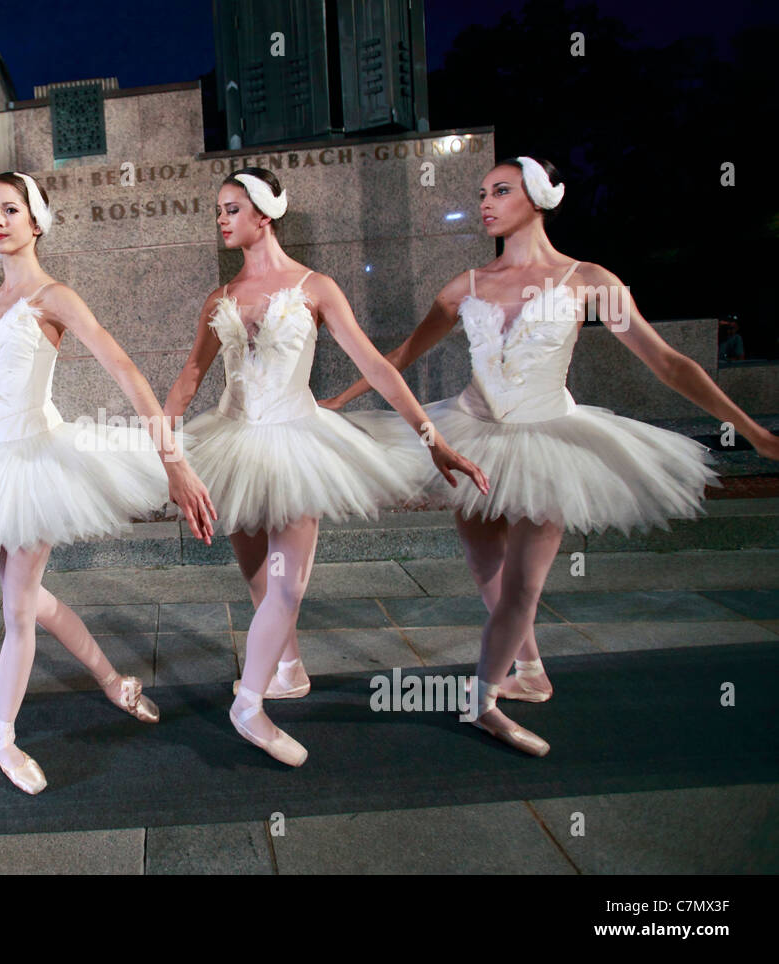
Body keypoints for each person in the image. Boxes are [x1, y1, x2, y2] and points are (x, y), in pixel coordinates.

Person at [321, 156, 779, 755]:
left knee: (522, 587)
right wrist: (336, 401)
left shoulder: (588, 281)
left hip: (549, 441)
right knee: (487, 573)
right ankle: (529, 671)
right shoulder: (466, 286)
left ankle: (482, 700)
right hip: (473, 431)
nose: (486, 202)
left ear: (539, 197)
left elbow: (666, 361)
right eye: (482, 192)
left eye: (501, 191)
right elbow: (398, 356)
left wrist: (750, 427)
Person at [0, 171, 216, 795]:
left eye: (9, 209)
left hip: (37, 463)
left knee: (17, 608)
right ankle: (113, 680)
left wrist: (173, 460)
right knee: (30, 599)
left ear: (36, 220)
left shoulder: (56, 297)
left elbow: (124, 368)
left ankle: (4, 735)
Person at [162, 167, 488, 768]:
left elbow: (379, 366)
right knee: (259, 579)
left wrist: (430, 435)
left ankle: (249, 705)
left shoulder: (316, 287)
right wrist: (168, 450)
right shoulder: (220, 299)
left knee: (287, 586)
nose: (221, 219)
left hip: (296, 443)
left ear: (264, 213)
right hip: (230, 442)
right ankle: (287, 669)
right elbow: (189, 378)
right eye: (218, 210)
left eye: (231, 208)